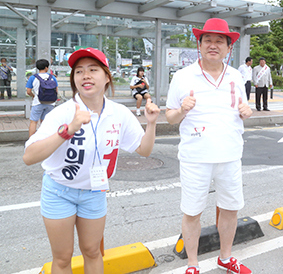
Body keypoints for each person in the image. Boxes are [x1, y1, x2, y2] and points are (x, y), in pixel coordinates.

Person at [23, 47, 160, 274]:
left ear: (107, 77)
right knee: (63, 259)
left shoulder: (119, 113)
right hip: (59, 192)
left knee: (93, 251)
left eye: (93, 69)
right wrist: (69, 129)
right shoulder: (62, 112)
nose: (85, 75)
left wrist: (152, 123)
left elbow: (144, 150)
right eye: (79, 71)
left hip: (95, 192)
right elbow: (29, 156)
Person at [165, 18, 253, 274]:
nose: (213, 45)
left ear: (228, 47)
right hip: (195, 156)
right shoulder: (182, 76)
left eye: (219, 41)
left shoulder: (236, 76)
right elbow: (169, 117)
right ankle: (193, 264)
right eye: (208, 40)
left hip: (230, 155)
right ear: (199, 45)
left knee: (230, 209)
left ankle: (226, 258)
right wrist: (181, 109)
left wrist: (246, 111)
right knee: (192, 212)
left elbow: (241, 109)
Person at [26, 59, 59, 137]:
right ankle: (44, 139)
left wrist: (33, 96)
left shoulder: (32, 78)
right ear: (46, 68)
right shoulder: (52, 77)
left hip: (38, 102)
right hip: (50, 103)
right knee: (45, 122)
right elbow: (56, 90)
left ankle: (31, 141)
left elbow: (28, 91)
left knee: (33, 122)